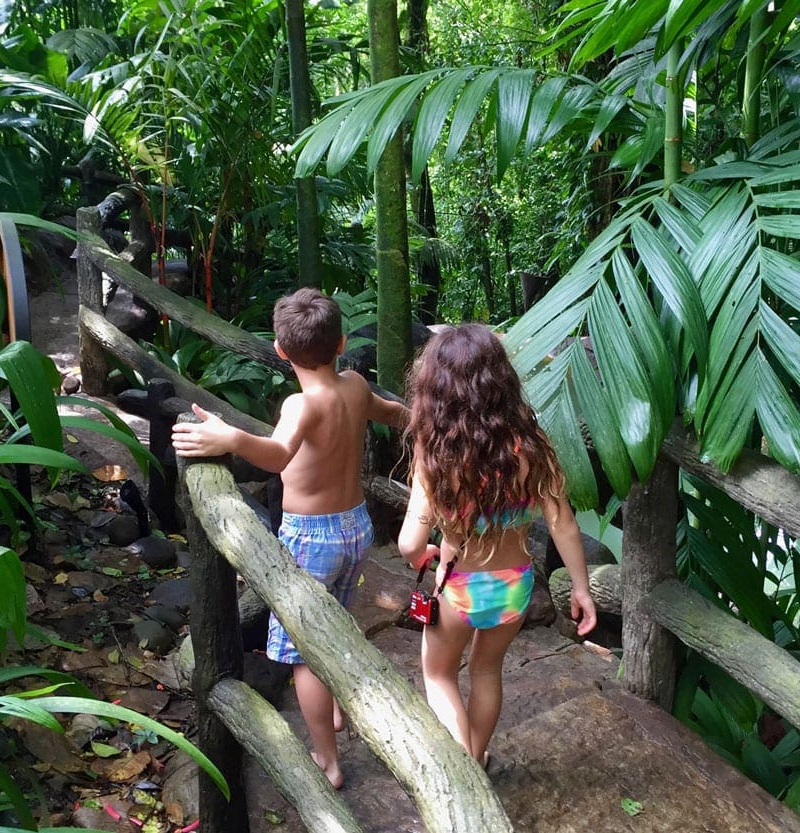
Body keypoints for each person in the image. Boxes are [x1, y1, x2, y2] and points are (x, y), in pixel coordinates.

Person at [171, 287, 408, 789]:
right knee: (336, 621)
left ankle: (327, 758)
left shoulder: (301, 403)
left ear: (280, 351)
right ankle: (338, 709)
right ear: (342, 342)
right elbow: (393, 414)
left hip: (312, 537)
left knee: (305, 652)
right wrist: (424, 419)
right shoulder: (355, 387)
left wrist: (229, 437)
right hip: (356, 527)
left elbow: (278, 455)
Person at [397, 323, 596, 770]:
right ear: (503, 382)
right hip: (514, 587)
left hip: (460, 589)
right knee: (486, 670)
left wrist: (424, 553)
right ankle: (478, 755)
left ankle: (463, 773)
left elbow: (410, 542)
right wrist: (581, 588)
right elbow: (562, 521)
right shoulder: (532, 448)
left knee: (439, 673)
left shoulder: (437, 455)